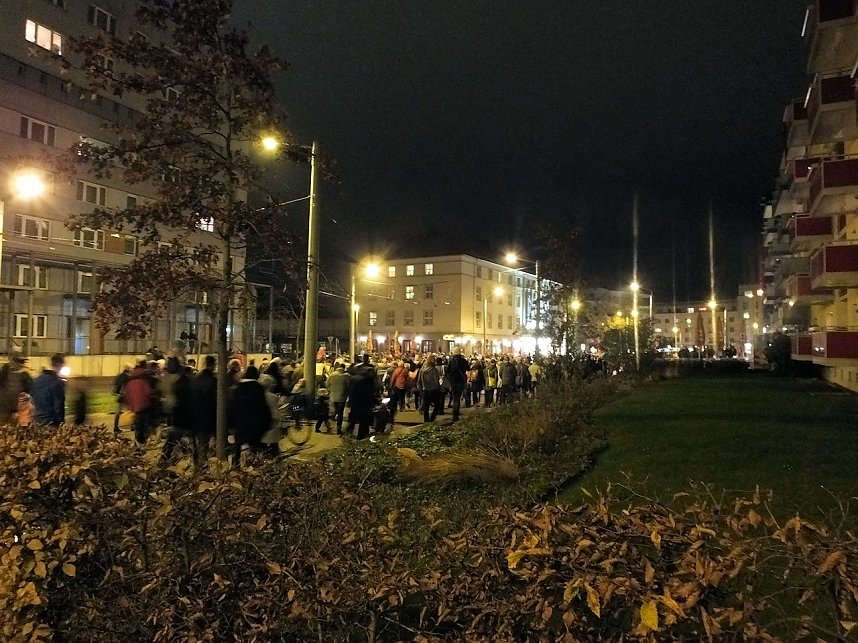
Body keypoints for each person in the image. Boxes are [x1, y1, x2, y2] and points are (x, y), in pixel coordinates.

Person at [228, 365, 271, 465]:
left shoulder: (238, 388)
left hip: (240, 424)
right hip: (255, 425)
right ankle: (252, 467)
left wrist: (231, 423)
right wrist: (266, 423)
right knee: (254, 449)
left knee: (238, 447)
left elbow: (233, 407)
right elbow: (262, 407)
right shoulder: (258, 389)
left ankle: (235, 466)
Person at [191, 355, 217, 462]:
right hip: (210, 416)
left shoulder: (196, 379)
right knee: (210, 443)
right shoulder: (214, 380)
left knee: (201, 443)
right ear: (213, 365)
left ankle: (200, 463)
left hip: (197, 415)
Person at [124, 359, 157, 444]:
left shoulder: (130, 381)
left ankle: (138, 441)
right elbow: (149, 392)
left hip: (136, 407)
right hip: (145, 405)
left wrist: (130, 405)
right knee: (146, 425)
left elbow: (127, 394)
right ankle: (143, 441)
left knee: (138, 424)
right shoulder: (145, 379)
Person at [31, 353, 66, 427]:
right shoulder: (57, 382)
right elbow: (58, 406)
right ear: (60, 365)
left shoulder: (36, 380)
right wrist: (60, 422)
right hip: (50, 421)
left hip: (37, 419)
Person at [346, 354, 377, 439]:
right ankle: (361, 435)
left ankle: (348, 432)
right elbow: (371, 391)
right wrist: (375, 400)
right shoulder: (368, 380)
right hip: (364, 402)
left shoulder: (353, 378)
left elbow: (350, 390)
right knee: (363, 418)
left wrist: (349, 401)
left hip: (355, 401)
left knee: (353, 417)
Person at [326, 362, 350, 434]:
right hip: (342, 397)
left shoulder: (332, 375)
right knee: (340, 413)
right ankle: (338, 428)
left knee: (335, 411)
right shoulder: (346, 376)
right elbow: (348, 386)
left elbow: (327, 384)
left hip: (333, 396)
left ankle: (330, 425)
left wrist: (330, 391)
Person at [417, 354, 441, 423]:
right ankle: (432, 418)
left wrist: (421, 390)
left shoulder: (422, 370)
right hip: (433, 390)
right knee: (437, 405)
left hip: (425, 390)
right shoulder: (434, 370)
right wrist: (438, 389)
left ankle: (426, 420)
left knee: (426, 406)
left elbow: (419, 382)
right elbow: (436, 382)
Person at [447, 347, 469, 421]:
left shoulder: (451, 361)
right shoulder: (463, 360)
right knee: (458, 397)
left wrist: (450, 379)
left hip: (453, 381)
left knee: (454, 397)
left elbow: (448, 371)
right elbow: (468, 368)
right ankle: (456, 413)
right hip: (460, 381)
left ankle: (455, 413)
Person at [112, 363, 132, 433]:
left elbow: (115, 385)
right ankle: (132, 425)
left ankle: (115, 426)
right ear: (128, 369)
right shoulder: (129, 377)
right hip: (126, 396)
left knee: (117, 412)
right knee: (132, 410)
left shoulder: (119, 376)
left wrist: (116, 393)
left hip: (119, 395)